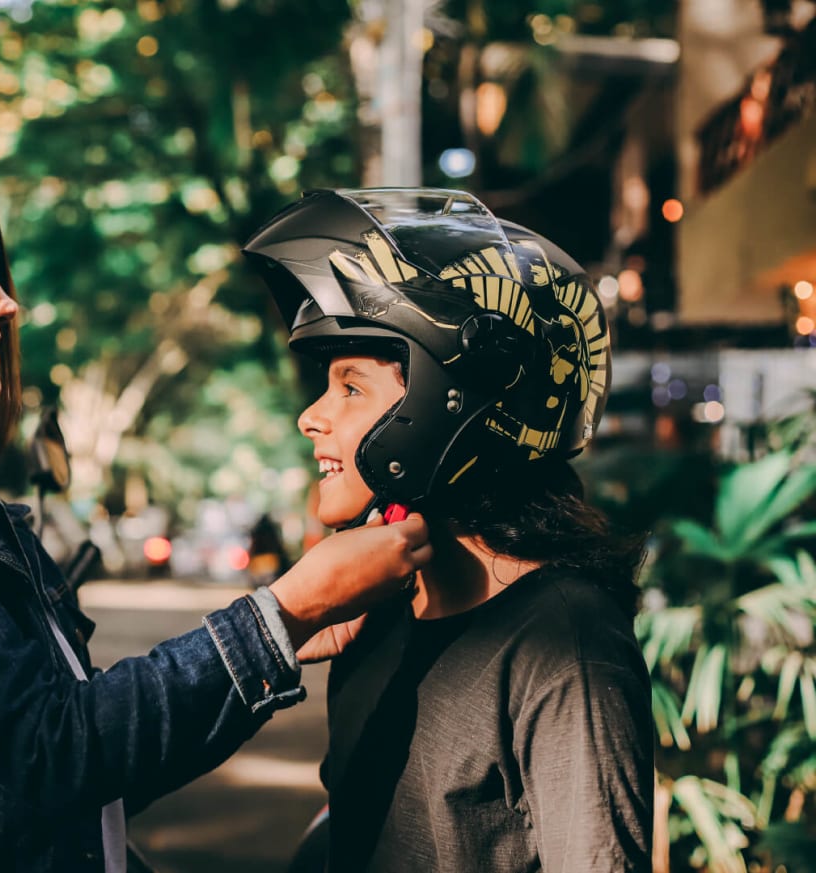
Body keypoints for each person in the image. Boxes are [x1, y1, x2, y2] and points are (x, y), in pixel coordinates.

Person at [0, 150, 432, 873]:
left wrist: (286, 633)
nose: (5, 303)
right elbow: (57, 748)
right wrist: (286, 610)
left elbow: (73, 791)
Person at [244, 188, 654, 871]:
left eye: (350, 388)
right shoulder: (379, 613)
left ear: (445, 402)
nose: (310, 417)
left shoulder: (565, 645)